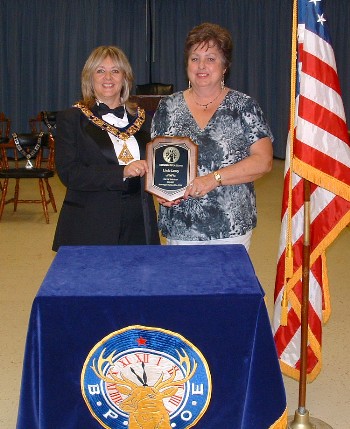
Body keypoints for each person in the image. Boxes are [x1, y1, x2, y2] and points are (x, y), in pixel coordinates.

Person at [151, 23, 273, 250]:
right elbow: (159, 163)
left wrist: (213, 179)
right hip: (181, 224)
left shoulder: (244, 106)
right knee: (183, 285)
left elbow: (263, 161)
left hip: (230, 226)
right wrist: (163, 191)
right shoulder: (168, 106)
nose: (201, 66)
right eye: (195, 58)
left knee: (227, 286)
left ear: (225, 66)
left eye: (211, 58)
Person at [52, 46, 160, 250]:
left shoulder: (143, 118)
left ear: (125, 78)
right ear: (89, 77)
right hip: (91, 222)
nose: (108, 77)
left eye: (115, 71)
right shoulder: (72, 118)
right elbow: (69, 173)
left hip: (138, 220)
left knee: (137, 279)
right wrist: (122, 172)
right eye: (100, 70)